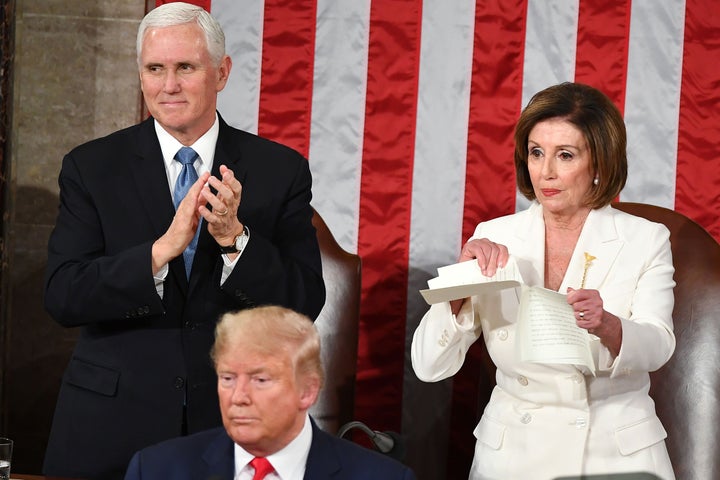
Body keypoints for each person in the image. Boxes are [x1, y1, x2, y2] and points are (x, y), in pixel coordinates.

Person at [42, 3, 325, 479]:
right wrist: (157, 254)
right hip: (108, 426)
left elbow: (303, 303)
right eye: (155, 69)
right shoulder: (91, 168)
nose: (168, 85)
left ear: (222, 72)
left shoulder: (280, 170)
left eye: (185, 68)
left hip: (228, 424)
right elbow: (63, 295)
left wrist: (236, 240)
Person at [411, 82, 676, 480]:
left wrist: (608, 325)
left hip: (613, 454)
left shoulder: (646, 238)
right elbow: (429, 366)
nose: (546, 172)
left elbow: (659, 344)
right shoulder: (494, 235)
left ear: (600, 163)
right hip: (513, 453)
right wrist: (458, 290)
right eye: (536, 153)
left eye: (565, 155)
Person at [123, 305, 417, 480]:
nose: (238, 396)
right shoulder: (155, 471)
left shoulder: (382, 478)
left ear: (308, 390)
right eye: (227, 378)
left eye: (260, 380)